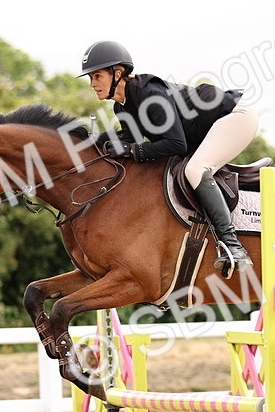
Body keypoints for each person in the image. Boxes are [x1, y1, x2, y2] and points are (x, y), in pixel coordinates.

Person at [80, 40, 257, 276]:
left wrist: (132, 151)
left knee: (195, 171)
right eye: (90, 78)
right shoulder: (122, 108)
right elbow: (130, 138)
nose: (92, 84)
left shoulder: (150, 94)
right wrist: (91, 141)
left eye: (97, 76)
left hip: (235, 116)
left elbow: (175, 144)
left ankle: (234, 246)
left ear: (118, 73)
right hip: (209, 128)